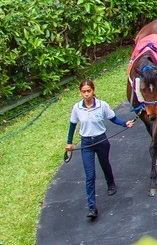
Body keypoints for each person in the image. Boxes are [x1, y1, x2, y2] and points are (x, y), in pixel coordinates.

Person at [65, 79, 135, 220]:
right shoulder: (77, 108)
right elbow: (72, 125)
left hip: (101, 140)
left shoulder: (102, 105)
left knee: (105, 164)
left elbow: (113, 118)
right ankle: (92, 207)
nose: (86, 94)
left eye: (88, 91)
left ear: (93, 91)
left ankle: (111, 183)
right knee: (90, 175)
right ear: (80, 93)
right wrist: (69, 143)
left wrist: (124, 124)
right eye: (83, 92)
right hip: (86, 144)